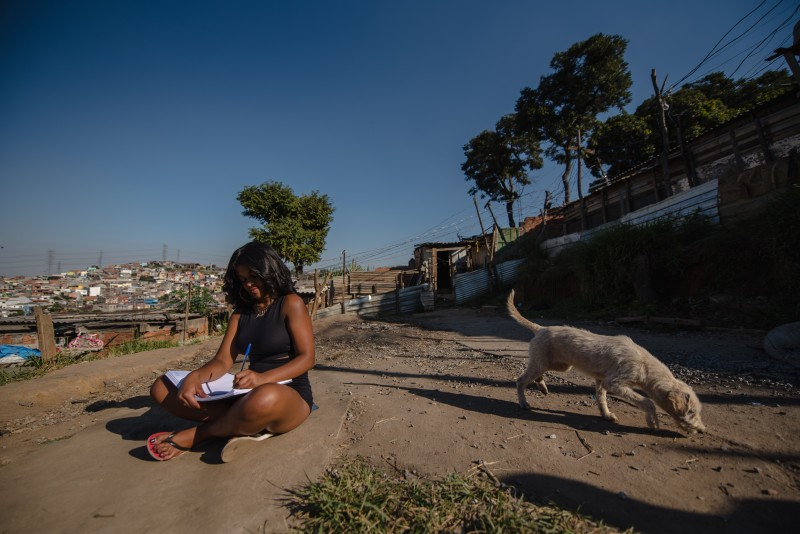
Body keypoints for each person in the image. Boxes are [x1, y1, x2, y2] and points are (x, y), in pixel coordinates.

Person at [147, 241, 315, 461]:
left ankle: (199, 435)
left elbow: (307, 358)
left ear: (269, 270)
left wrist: (263, 378)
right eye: (243, 279)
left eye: (254, 276)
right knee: (161, 387)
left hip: (288, 394)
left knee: (266, 396)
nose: (248, 284)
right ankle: (245, 424)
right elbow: (223, 360)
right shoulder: (240, 314)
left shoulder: (291, 303)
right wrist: (194, 377)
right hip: (245, 394)